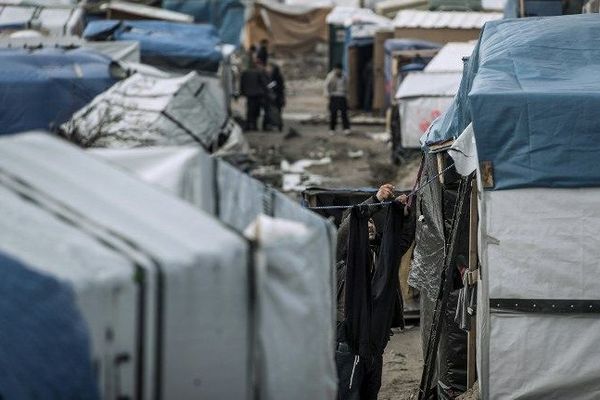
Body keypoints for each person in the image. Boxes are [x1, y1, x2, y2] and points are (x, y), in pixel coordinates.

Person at [335, 184, 415, 400]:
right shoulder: (342, 258)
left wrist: (404, 215)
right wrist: (376, 201)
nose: (369, 225)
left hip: (374, 338)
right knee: (349, 393)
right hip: (349, 338)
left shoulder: (382, 254)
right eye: (365, 221)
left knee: (371, 390)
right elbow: (348, 227)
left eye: (371, 222)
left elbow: (402, 241)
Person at [240, 61, 269, 131]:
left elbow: (242, 83)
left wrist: (242, 92)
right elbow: (264, 83)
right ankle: (254, 125)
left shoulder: (245, 72)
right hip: (258, 94)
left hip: (249, 94)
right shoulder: (259, 72)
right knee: (256, 110)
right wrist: (267, 91)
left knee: (250, 110)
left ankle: (248, 125)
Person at [325, 63, 351, 135]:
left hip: (342, 96)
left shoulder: (344, 76)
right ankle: (332, 129)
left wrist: (347, 96)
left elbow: (347, 86)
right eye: (336, 70)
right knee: (333, 113)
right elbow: (326, 86)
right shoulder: (330, 76)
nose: (338, 71)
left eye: (339, 70)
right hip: (334, 96)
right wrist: (327, 95)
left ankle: (346, 128)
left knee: (344, 113)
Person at [264, 62, 286, 131]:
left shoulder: (274, 77)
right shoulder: (279, 77)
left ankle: (274, 125)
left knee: (272, 111)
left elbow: (271, 85)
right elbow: (282, 87)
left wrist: (269, 87)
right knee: (278, 112)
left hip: (275, 97)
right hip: (280, 97)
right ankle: (279, 125)